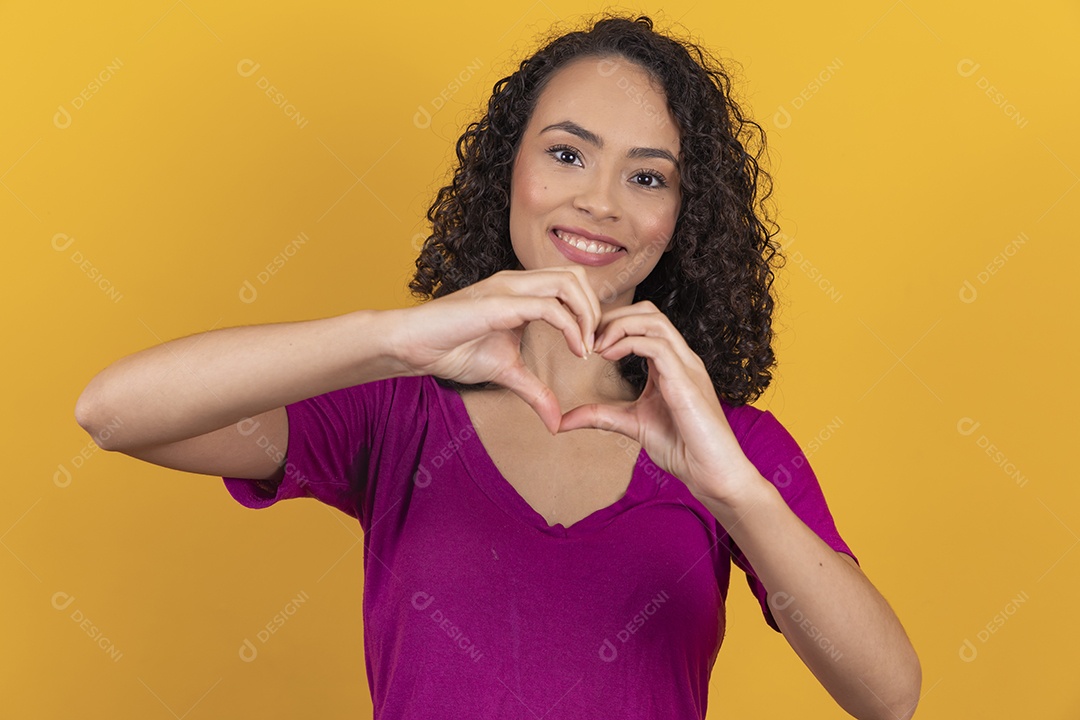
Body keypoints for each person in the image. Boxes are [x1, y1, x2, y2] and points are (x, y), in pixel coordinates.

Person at [75, 13, 920, 720]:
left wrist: (734, 492)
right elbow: (112, 412)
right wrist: (396, 339)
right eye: (566, 154)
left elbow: (889, 696)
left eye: (649, 176)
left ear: (682, 220)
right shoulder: (397, 414)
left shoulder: (733, 451)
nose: (600, 201)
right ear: (507, 170)